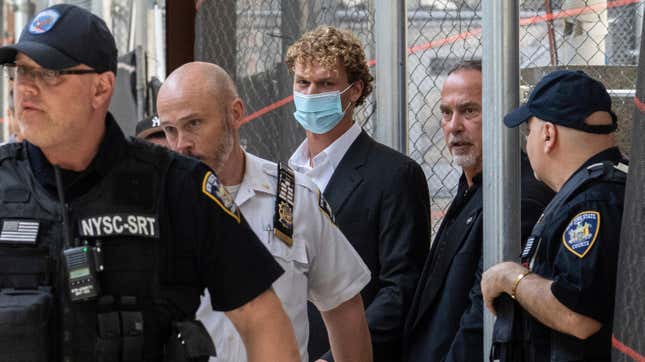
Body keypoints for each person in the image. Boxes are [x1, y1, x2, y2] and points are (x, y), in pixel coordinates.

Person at [0, 4, 299, 362]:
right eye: (20, 72)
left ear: (101, 88)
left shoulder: (178, 187)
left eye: (49, 74)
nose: (26, 89)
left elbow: (263, 321)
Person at [156, 61, 373, 362]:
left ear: (234, 113)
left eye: (194, 124)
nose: (181, 145)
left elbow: (344, 306)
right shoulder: (152, 208)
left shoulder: (295, 197)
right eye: (169, 130)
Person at [286, 26, 431, 362]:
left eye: (325, 84)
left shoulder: (394, 175)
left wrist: (335, 357)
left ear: (355, 91)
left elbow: (400, 289)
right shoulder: (284, 175)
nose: (310, 93)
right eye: (302, 82)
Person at [402, 60, 555, 362]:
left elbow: (481, 321)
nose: (454, 126)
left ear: (503, 114)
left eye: (469, 111)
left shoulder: (516, 197)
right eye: (446, 113)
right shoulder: (473, 184)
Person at [482, 70, 627, 361]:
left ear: (548, 134)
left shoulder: (594, 202)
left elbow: (578, 315)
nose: (527, 143)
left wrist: (511, 278)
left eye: (528, 131)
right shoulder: (599, 190)